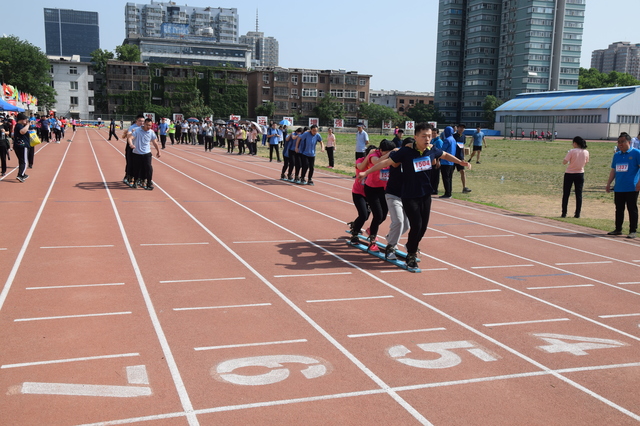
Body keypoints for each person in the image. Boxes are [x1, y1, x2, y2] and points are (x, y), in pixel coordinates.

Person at [360, 122, 471, 269]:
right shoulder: (405, 152)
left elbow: (444, 155)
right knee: (416, 224)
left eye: (429, 136)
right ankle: (411, 254)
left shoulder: (431, 149)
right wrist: (366, 172)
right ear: (415, 137)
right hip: (409, 195)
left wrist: (460, 162)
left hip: (425, 194)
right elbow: (387, 161)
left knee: (423, 227)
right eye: (424, 136)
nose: (427, 139)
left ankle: (410, 245)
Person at [360, 139, 396, 251]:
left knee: (384, 215)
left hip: (383, 189)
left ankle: (371, 229)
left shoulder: (390, 157)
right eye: (386, 152)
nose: (389, 154)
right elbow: (377, 162)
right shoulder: (373, 155)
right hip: (371, 189)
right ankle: (372, 240)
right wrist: (391, 153)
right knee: (378, 215)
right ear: (380, 150)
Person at [384, 137, 414, 259]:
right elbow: (395, 164)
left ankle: (390, 237)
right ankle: (390, 247)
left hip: (407, 195)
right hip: (393, 194)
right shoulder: (396, 154)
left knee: (406, 225)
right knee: (398, 221)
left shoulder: (414, 156)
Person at [605, 133, 640, 239]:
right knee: (619, 208)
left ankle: (633, 230)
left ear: (629, 142)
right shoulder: (617, 155)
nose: (620, 144)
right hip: (619, 187)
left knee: (632, 208)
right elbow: (613, 170)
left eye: (622, 142)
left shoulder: (636, 153)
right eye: (619, 142)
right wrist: (608, 183)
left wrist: (639, 183)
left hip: (632, 187)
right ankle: (618, 229)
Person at [127, 118, 161, 190]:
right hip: (137, 153)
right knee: (136, 168)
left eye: (150, 125)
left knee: (149, 168)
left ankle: (148, 183)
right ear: (144, 124)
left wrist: (158, 151)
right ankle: (135, 181)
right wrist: (131, 145)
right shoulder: (137, 131)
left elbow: (155, 142)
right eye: (147, 125)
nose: (149, 127)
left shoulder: (151, 132)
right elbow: (130, 138)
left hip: (147, 153)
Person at [561, 136, 589, 218]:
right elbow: (586, 162)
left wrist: (571, 161)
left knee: (566, 193)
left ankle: (564, 213)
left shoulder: (572, 151)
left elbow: (564, 162)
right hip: (580, 173)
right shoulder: (586, 152)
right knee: (578, 194)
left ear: (575, 143)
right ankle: (577, 213)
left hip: (569, 173)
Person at [439, 126, 457, 199]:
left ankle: (447, 193)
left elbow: (443, 150)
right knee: (449, 178)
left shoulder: (446, 140)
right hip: (451, 162)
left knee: (445, 178)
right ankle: (449, 192)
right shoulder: (453, 140)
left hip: (445, 161)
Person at [453, 124, 471, 194]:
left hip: (460, 157)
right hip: (453, 157)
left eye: (463, 128)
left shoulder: (463, 137)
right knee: (450, 173)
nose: (461, 129)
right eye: (460, 128)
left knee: (463, 171)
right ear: (457, 128)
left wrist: (463, 157)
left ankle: (464, 187)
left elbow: (462, 146)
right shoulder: (453, 136)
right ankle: (448, 187)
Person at [12, 113, 30, 182]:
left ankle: (22, 174)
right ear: (22, 120)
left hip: (18, 145)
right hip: (22, 145)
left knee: (21, 161)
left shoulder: (19, 126)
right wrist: (28, 125)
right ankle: (20, 175)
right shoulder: (19, 126)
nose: (26, 120)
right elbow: (22, 132)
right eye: (25, 119)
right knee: (24, 162)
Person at [430, 128, 442, 195]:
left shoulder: (439, 141)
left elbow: (439, 152)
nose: (433, 134)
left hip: (436, 161)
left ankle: (435, 189)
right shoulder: (432, 140)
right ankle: (432, 188)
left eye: (435, 133)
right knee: (432, 175)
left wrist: (438, 161)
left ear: (437, 134)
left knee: (436, 175)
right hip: (431, 160)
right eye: (432, 133)